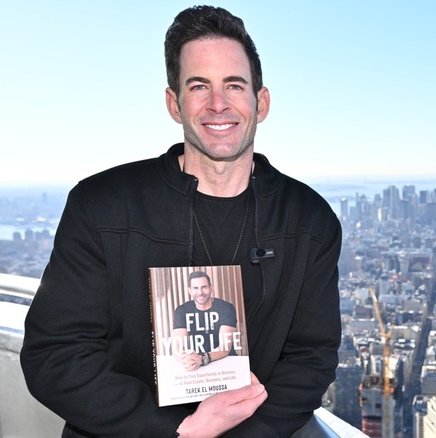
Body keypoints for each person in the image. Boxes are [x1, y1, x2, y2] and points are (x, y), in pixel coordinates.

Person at [20, 5, 342, 438]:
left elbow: (311, 357)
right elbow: (55, 355)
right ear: (174, 103)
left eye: (234, 84)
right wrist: (179, 432)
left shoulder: (310, 219)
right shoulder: (101, 206)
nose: (217, 104)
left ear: (260, 102)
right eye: (198, 86)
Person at [172, 271, 239, 371]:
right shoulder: (182, 311)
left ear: (211, 288)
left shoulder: (226, 308)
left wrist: (202, 359)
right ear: (189, 290)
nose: (200, 292)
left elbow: (225, 348)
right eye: (195, 288)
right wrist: (187, 360)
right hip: (196, 366)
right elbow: (178, 347)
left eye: (204, 287)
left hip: (226, 363)